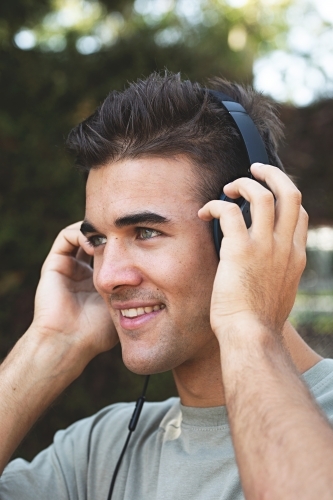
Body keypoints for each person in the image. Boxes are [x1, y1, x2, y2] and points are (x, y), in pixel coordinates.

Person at [1, 71, 333, 500]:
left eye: (144, 231)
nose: (106, 277)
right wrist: (50, 343)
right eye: (98, 240)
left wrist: (248, 326)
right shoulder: (96, 453)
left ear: (247, 228)